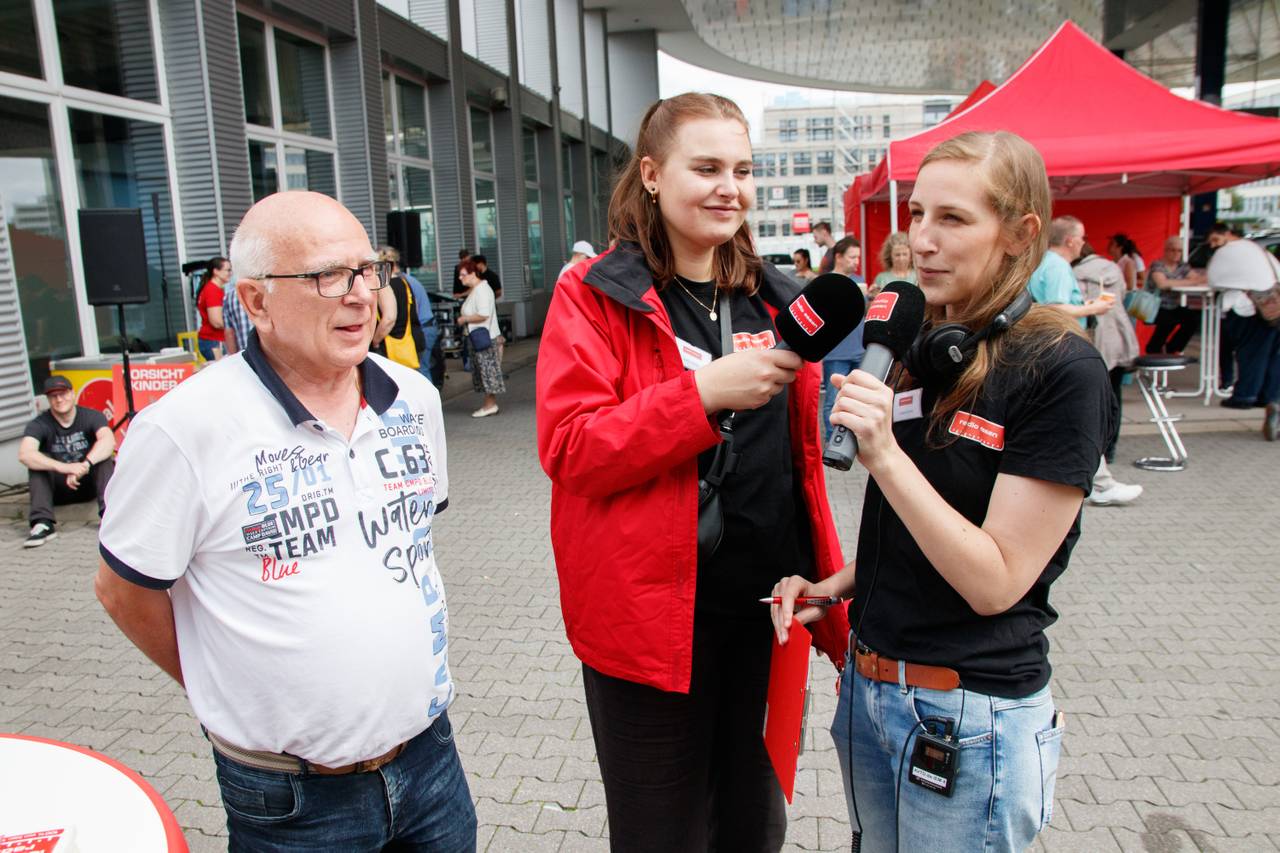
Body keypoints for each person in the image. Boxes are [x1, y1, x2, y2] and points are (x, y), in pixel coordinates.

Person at [93, 191, 475, 851]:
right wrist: (222, 682)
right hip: (293, 797)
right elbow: (122, 590)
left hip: (431, 758)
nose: (362, 295)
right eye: (329, 275)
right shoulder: (183, 429)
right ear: (256, 301)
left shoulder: (413, 399)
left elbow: (403, 545)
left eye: (368, 270)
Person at [772, 131, 1115, 852]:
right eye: (918, 214)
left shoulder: (1061, 371)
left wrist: (882, 454)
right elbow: (922, 529)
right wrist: (832, 586)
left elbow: (995, 580)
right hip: (869, 691)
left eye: (953, 219)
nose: (920, 241)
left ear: (1019, 233)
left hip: (966, 718)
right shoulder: (922, 347)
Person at [536, 93, 848, 853]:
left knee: (753, 827)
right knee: (660, 835)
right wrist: (701, 394)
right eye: (706, 168)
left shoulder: (778, 299)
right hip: (648, 627)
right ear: (651, 175)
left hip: (767, 616)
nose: (729, 189)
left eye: (743, 170)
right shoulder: (594, 294)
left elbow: (797, 467)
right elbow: (572, 448)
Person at [1074, 243, 1144, 505]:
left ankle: (1101, 472)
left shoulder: (1071, 271)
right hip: (1114, 336)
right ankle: (1108, 454)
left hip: (1090, 340)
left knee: (1090, 406)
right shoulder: (1111, 268)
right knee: (1111, 398)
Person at [19, 376, 115, 548]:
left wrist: (85, 465)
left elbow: (108, 442)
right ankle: (42, 524)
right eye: (53, 396)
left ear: (72, 393)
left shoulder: (92, 416)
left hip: (88, 484)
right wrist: (66, 468)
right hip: (58, 488)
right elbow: (25, 454)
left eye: (63, 393)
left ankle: (109, 516)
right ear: (48, 399)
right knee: (36, 464)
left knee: (104, 460)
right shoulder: (39, 424)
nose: (59, 399)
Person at [1206, 222, 1280, 437]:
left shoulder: (1229, 251)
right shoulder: (1258, 249)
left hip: (1248, 308)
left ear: (1227, 234)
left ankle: (1245, 396)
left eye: (1215, 240)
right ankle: (1269, 397)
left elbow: (1213, 279)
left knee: (1250, 354)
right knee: (1272, 355)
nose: (1213, 245)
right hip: (1273, 307)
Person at [1026, 216, 1112, 326]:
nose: (1083, 242)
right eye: (1083, 238)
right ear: (1070, 241)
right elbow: (1057, 309)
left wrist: (1083, 305)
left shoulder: (1044, 260)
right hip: (1063, 332)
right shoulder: (1058, 266)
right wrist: (1094, 308)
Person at [822, 236, 867, 440]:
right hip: (836, 352)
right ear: (839, 257)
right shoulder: (826, 282)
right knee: (833, 400)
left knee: (859, 398)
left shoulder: (859, 280)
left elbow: (863, 314)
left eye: (858, 257)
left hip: (859, 349)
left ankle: (855, 438)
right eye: (852, 257)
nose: (856, 261)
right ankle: (833, 441)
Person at [456, 259, 504, 417]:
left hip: (484, 336)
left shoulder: (482, 290)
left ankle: (490, 405)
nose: (460, 278)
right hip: (478, 336)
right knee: (484, 371)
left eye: (463, 275)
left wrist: (464, 319)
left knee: (487, 371)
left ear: (472, 274)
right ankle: (489, 404)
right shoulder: (476, 289)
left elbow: (483, 314)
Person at [1145, 236, 1205, 354]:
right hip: (1155, 306)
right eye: (1173, 250)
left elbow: (1198, 279)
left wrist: (1177, 282)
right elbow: (1162, 284)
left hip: (1173, 305)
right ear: (1166, 250)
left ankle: (1172, 349)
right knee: (1168, 321)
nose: (1176, 254)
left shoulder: (1183, 266)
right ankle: (1153, 349)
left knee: (1192, 320)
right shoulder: (1158, 265)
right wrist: (1189, 282)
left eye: (1179, 251)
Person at [372, 245, 426, 370]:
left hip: (392, 345)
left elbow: (389, 319)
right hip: (413, 341)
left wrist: (375, 341)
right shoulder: (405, 282)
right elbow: (415, 311)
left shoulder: (384, 285)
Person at [196, 257, 230, 361]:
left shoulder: (212, 289)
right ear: (216, 271)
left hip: (212, 340)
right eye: (227, 270)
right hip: (214, 341)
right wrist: (234, 326)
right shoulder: (212, 290)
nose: (230, 273)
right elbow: (216, 322)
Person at [221, 274, 252, 356]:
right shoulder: (266, 291)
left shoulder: (229, 297)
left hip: (244, 355)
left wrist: (233, 358)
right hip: (270, 356)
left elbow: (229, 333)